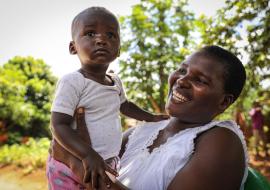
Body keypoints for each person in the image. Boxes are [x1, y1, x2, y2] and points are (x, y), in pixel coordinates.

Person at [52, 45, 249, 190]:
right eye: (182, 70)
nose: (182, 80)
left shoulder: (221, 141)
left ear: (224, 102)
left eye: (200, 80)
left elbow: (80, 166)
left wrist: (75, 164)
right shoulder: (140, 132)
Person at [46, 7, 168, 190]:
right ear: (73, 47)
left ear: (118, 49)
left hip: (106, 161)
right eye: (90, 33)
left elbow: (125, 106)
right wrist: (87, 155)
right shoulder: (73, 81)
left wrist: (151, 117)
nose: (101, 39)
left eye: (111, 35)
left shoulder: (115, 81)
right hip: (74, 163)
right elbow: (58, 125)